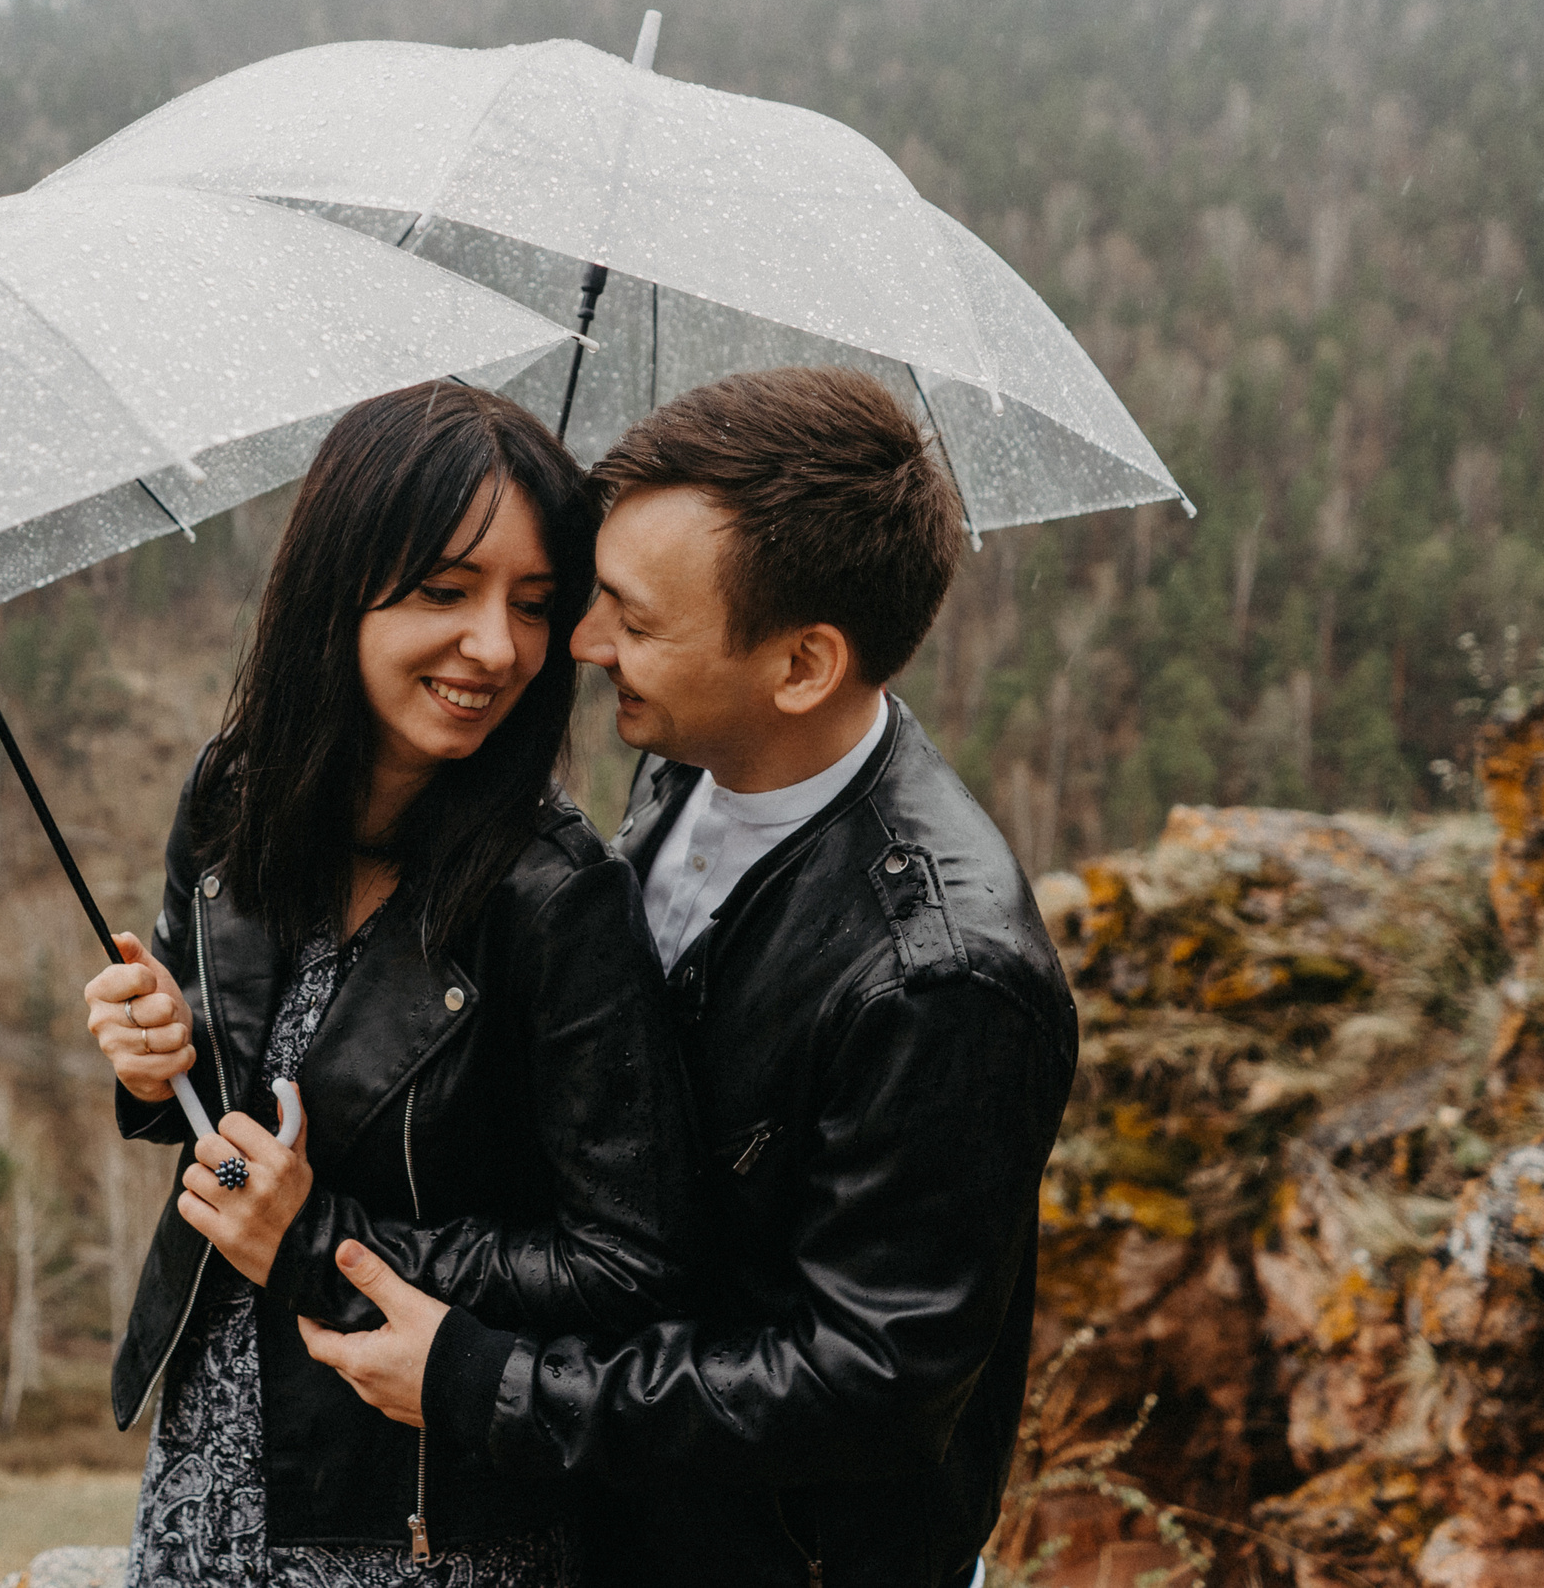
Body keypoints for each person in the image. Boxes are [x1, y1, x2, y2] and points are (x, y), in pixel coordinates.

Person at [299, 367, 1078, 1587]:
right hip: (624, 1523)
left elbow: (867, 1388)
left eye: (635, 622)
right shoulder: (693, 762)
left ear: (802, 665)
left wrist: (491, 1383)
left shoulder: (940, 980)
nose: (586, 645)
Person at [83, 381, 696, 1588]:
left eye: (533, 604)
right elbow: (234, 1098)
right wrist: (158, 1056)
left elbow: (628, 1268)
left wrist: (317, 1239)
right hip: (209, 1459)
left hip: (416, 1519)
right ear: (337, 585)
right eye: (444, 591)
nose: (498, 649)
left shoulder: (556, 900)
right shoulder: (232, 798)